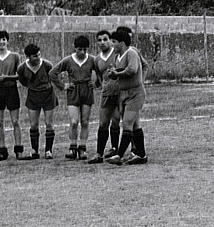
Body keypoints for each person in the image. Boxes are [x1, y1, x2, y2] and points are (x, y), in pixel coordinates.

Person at [54, 35, 101, 161]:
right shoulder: (68, 60)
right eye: (80, 49)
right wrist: (63, 86)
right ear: (75, 48)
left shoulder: (92, 60)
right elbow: (53, 73)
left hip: (87, 91)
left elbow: (102, 72)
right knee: (74, 121)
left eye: (85, 49)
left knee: (85, 121)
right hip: (73, 91)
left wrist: (96, 83)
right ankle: (72, 147)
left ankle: (82, 148)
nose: (82, 52)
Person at [107, 27, 147, 165]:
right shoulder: (118, 56)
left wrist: (117, 73)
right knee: (135, 125)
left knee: (127, 123)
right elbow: (123, 71)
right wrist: (114, 73)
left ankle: (119, 154)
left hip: (135, 93)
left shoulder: (131, 53)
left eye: (114, 42)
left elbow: (132, 69)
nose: (112, 45)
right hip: (124, 93)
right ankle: (141, 154)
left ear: (122, 43)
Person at [16, 43, 59, 159]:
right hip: (33, 96)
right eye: (35, 56)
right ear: (28, 57)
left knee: (49, 123)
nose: (38, 57)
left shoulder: (47, 65)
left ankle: (48, 150)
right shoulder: (22, 68)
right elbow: (23, 81)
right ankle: (35, 150)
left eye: (39, 55)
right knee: (34, 124)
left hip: (48, 95)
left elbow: (54, 76)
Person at [0, 30, 24, 161]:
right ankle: (2, 150)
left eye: (4, 39)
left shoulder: (15, 56)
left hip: (11, 89)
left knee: (15, 121)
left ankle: (19, 149)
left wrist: (6, 77)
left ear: (7, 41)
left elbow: (20, 75)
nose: (1, 42)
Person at [88, 30, 122, 164]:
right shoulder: (97, 59)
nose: (102, 42)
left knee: (116, 120)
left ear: (110, 40)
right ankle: (99, 154)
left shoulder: (118, 53)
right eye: (99, 40)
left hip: (120, 92)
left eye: (105, 39)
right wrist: (96, 84)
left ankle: (115, 148)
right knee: (103, 123)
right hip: (106, 94)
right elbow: (100, 77)